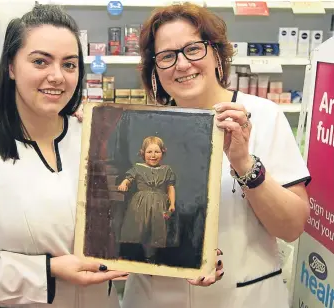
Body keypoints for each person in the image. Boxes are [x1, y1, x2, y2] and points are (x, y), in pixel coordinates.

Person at [120, 3, 311, 308]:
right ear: (154, 69)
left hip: (245, 297)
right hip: (153, 298)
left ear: (217, 54)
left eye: (193, 49)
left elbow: (291, 227)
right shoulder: (141, 128)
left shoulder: (262, 116)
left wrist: (243, 163)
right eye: (167, 56)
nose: (182, 64)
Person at [0, 4, 127, 308]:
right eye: (41, 61)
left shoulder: (95, 140)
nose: (57, 77)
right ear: (11, 67)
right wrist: (47, 272)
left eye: (69, 64)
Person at [117, 136, 178, 262]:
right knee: (140, 230)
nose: (153, 155)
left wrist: (172, 203)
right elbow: (129, 178)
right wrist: (124, 183)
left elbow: (170, 187)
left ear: (163, 152)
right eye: (149, 152)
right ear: (143, 153)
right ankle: (139, 257)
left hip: (159, 204)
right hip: (140, 204)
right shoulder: (138, 167)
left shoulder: (167, 170)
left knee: (156, 231)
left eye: (157, 152)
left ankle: (151, 257)